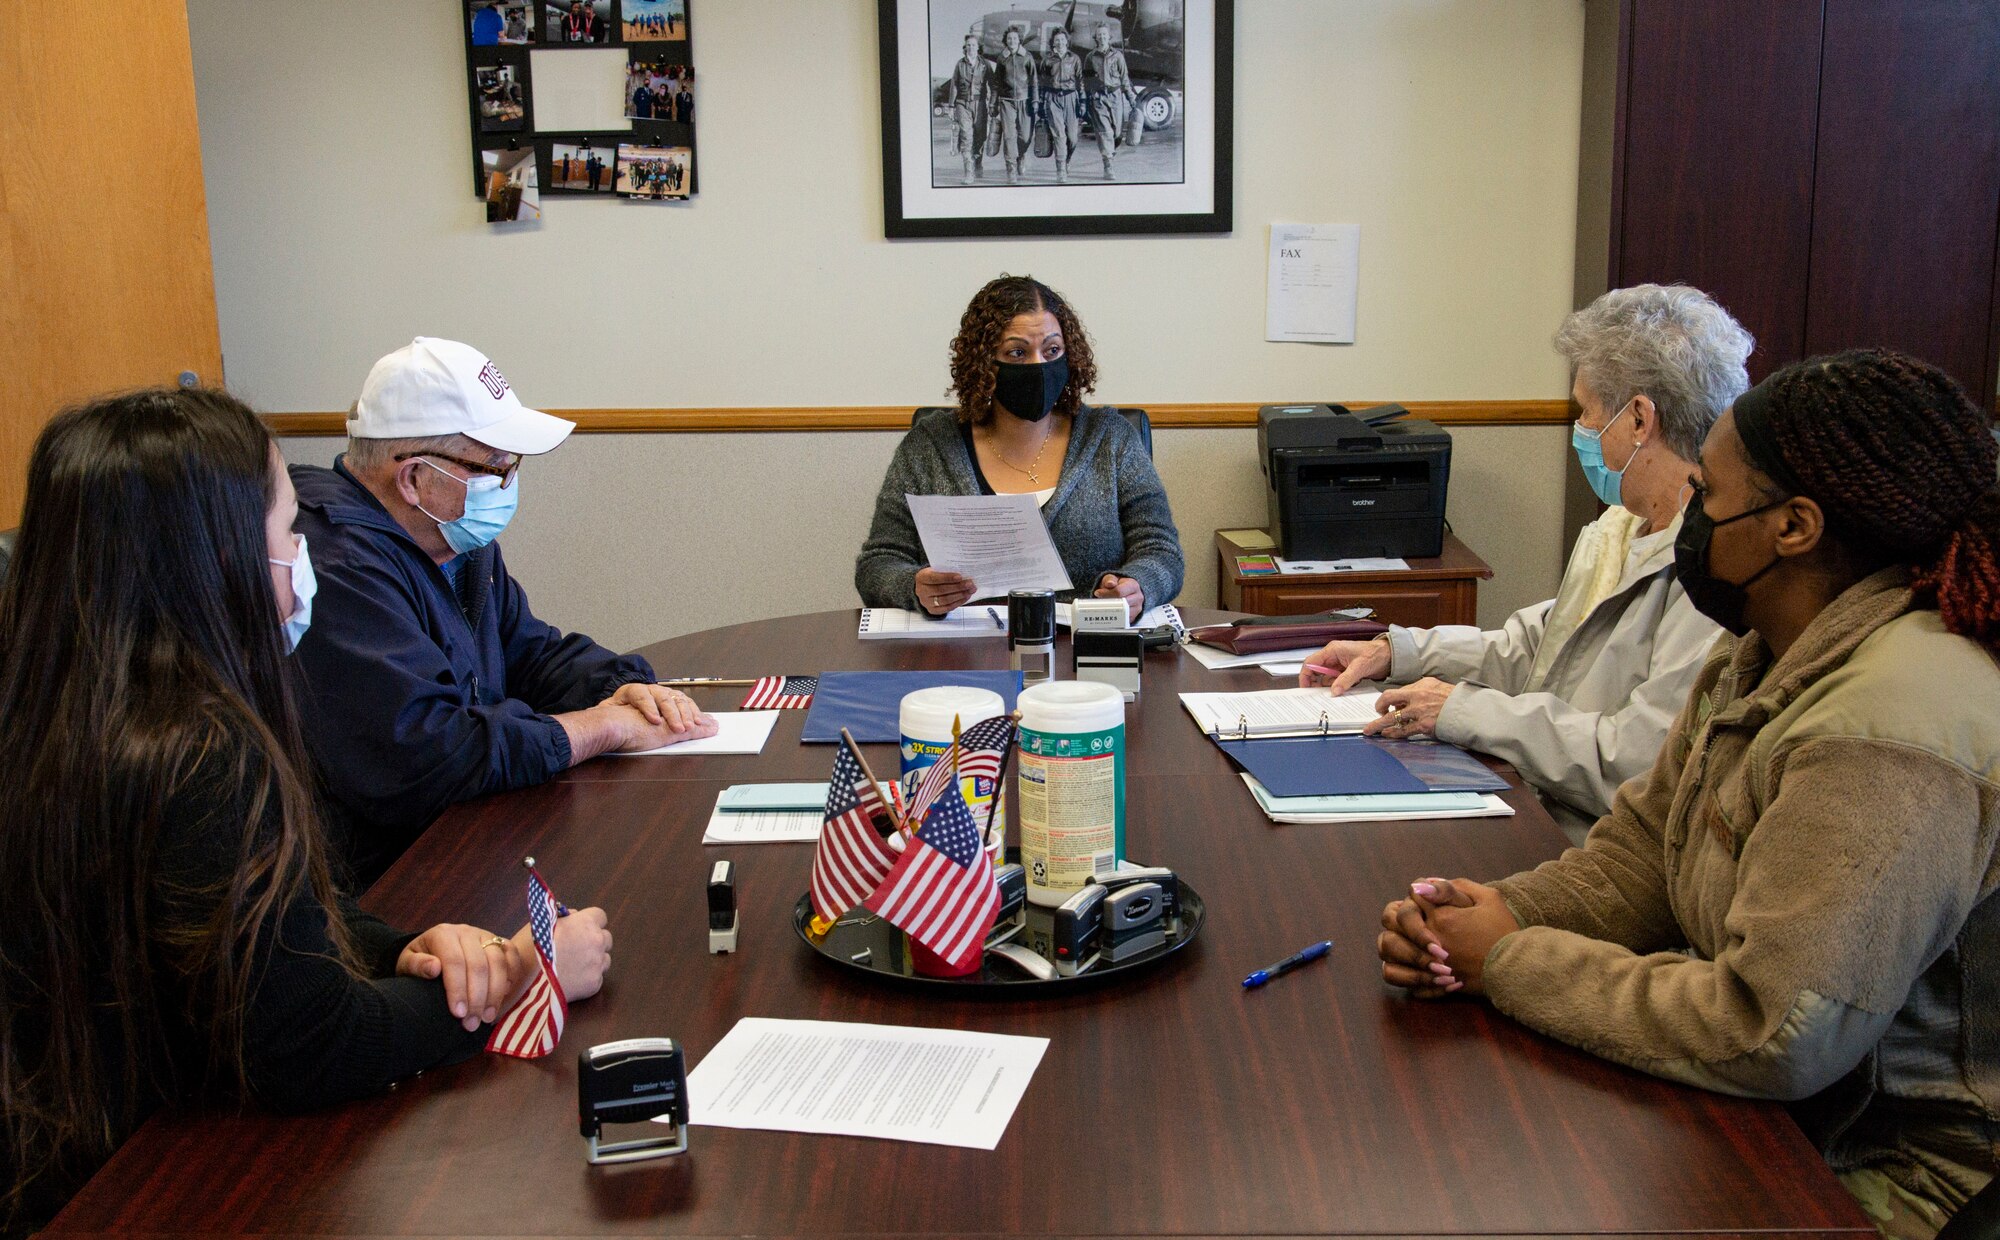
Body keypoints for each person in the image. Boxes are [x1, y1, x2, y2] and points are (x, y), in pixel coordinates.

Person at [1377, 350, 2000, 1239]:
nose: (1689, 519)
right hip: (1788, 1121)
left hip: (1904, 1172)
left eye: (1707, 493)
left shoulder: (1891, 727)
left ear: (1795, 527)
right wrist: (1490, 915)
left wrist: (1505, 963)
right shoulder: (1762, 648)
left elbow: (1772, 1027)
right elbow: (1642, 856)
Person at [0, 389, 615, 1236]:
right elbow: (312, 1042)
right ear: (211, 562)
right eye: (289, 532)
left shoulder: (61, 712)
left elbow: (260, 919)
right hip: (142, 1189)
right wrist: (515, 978)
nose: (305, 553)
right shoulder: (201, 755)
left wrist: (401, 949)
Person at [1302, 284, 1749, 841]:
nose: (1582, 433)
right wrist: (1396, 651)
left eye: (1588, 413)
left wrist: (1464, 711)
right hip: (1541, 801)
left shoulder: (1714, 571)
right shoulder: (1624, 527)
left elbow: (1638, 763)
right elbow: (1543, 644)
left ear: (1639, 420)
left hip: (1599, 848)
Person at [289, 338, 716, 886]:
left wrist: (623, 687)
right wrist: (598, 728)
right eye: (494, 466)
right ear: (414, 478)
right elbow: (430, 753)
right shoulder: (337, 566)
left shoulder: (453, 537)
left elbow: (529, 652)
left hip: (473, 833)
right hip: (388, 880)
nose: (508, 483)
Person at [856, 275, 1184, 621]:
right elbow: (878, 563)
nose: (1038, 366)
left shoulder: (1111, 439)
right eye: (1017, 352)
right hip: (963, 652)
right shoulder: (929, 447)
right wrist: (914, 586)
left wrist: (1138, 586)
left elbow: (1162, 551)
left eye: (1052, 350)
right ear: (983, 363)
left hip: (1083, 645)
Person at [1086, 22, 1134, 179]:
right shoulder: (1090, 57)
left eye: (1104, 34)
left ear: (1109, 36)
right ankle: (1108, 165)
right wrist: (1087, 100)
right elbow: (1085, 81)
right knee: (1104, 132)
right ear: (1096, 37)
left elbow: (1124, 78)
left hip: (1115, 98)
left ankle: (1111, 151)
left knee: (1117, 133)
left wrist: (1131, 98)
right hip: (1098, 98)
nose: (1102, 37)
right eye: (1099, 35)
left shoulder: (1118, 56)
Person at [945, 33, 993, 183]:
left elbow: (992, 85)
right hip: (962, 104)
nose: (971, 47)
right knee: (966, 137)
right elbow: (954, 86)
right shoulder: (960, 64)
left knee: (980, 137)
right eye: (968, 45)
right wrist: (951, 106)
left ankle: (978, 164)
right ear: (965, 47)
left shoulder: (985, 64)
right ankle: (969, 172)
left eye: (973, 45)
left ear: (978, 47)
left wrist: (993, 104)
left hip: (980, 105)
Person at [991, 27, 1037, 184]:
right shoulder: (1001, 59)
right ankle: (1011, 170)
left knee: (1025, 136)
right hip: (1006, 102)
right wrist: (993, 103)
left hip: (1025, 100)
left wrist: (1035, 101)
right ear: (1006, 40)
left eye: (1015, 38)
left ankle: (1021, 155)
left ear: (1019, 40)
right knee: (1009, 137)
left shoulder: (1027, 57)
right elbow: (996, 83)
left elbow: (1034, 81)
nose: (1012, 41)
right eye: (1009, 38)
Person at [1042, 29, 1085, 183]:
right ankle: (1060, 169)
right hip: (1053, 99)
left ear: (1067, 41)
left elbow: (1081, 81)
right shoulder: (1047, 60)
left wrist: (1083, 101)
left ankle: (1067, 160)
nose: (1060, 43)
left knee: (1072, 138)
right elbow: (1043, 83)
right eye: (1057, 40)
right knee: (1059, 135)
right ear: (1053, 43)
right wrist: (1042, 103)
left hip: (1071, 98)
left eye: (1062, 40)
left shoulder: (1075, 59)